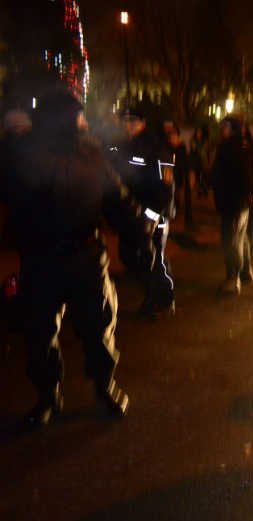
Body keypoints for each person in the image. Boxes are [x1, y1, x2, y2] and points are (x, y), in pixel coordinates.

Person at [2, 87, 155, 427]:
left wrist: (140, 230)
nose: (86, 122)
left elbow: (116, 197)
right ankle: (48, 395)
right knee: (39, 333)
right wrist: (11, 140)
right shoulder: (24, 154)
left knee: (98, 327)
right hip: (41, 259)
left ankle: (104, 385)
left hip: (85, 256)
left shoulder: (91, 155)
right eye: (79, 116)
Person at [112, 107, 176, 318]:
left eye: (133, 120)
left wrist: (153, 214)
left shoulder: (156, 147)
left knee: (155, 257)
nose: (128, 124)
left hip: (153, 213)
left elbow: (165, 187)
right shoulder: (123, 147)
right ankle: (152, 293)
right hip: (132, 213)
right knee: (131, 255)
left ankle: (162, 299)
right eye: (125, 120)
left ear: (143, 123)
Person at [210, 115, 253, 295]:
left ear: (231, 128)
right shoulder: (246, 145)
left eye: (224, 126)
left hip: (232, 201)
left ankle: (233, 277)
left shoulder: (229, 147)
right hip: (241, 201)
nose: (221, 129)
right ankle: (246, 271)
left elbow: (222, 174)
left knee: (231, 240)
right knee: (241, 237)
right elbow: (252, 173)